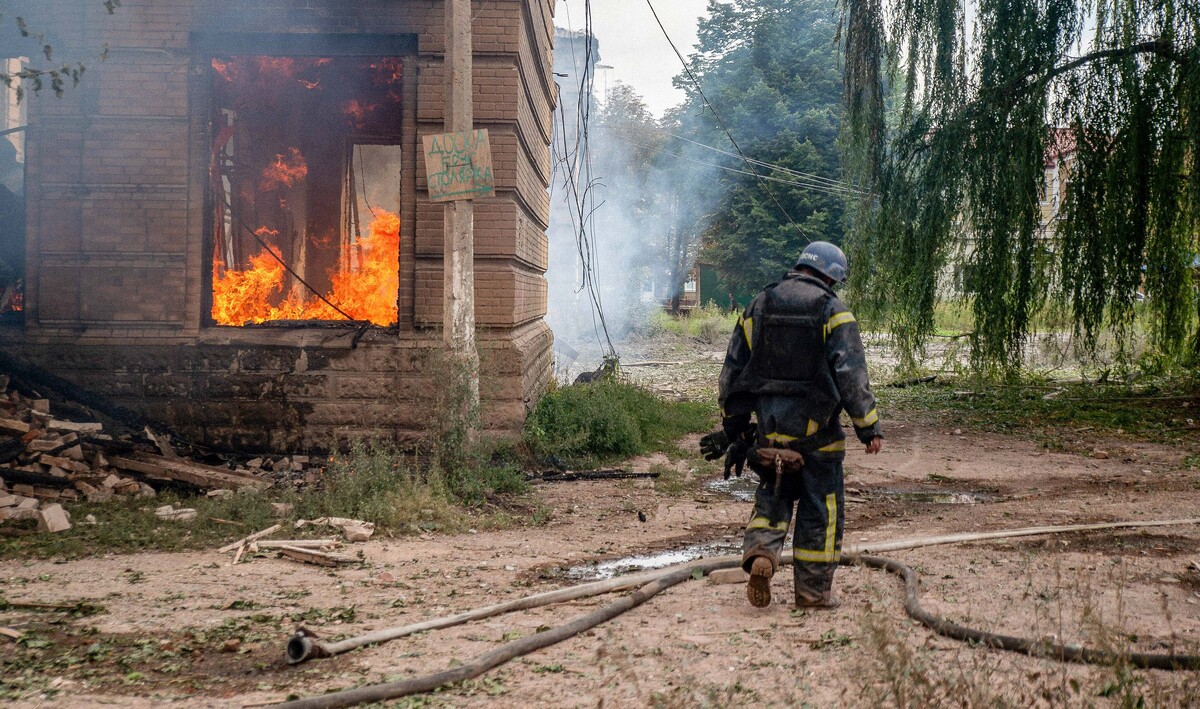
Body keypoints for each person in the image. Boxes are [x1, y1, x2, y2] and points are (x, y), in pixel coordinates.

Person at [700, 241, 882, 609]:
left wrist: (735, 427)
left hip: (771, 436)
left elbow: (732, 371)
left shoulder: (759, 305)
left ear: (800, 266)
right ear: (830, 277)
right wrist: (868, 427)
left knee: (773, 496)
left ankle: (762, 552)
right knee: (820, 512)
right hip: (819, 439)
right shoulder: (833, 311)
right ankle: (812, 593)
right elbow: (851, 373)